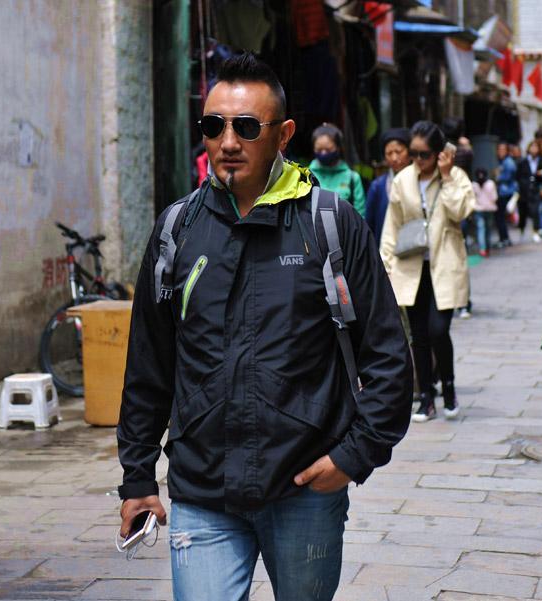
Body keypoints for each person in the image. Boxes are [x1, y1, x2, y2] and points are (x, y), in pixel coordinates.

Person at [116, 53, 412, 601]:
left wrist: (353, 456)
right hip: (202, 491)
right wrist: (137, 476)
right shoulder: (177, 230)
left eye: (247, 127)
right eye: (214, 126)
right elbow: (149, 364)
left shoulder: (329, 224)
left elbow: (389, 355)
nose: (228, 141)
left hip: (304, 490)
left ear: (283, 135)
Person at [379, 120, 475, 423]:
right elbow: (391, 226)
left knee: (438, 330)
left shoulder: (455, 176)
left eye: (424, 155)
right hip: (411, 266)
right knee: (418, 336)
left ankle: (448, 387)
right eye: (415, 153)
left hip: (444, 264)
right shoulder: (403, 180)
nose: (418, 161)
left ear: (439, 153)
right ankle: (426, 399)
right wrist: (386, 266)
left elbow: (461, 212)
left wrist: (446, 177)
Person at [309, 122, 367, 216]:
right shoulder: (306, 176)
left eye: (328, 149)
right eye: (319, 150)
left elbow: (360, 216)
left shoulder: (352, 178)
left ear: (338, 148)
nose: (323, 153)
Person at [366, 128, 411, 240]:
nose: (394, 158)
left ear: (409, 152)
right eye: (389, 153)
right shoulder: (377, 186)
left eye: (399, 152)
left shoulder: (421, 180)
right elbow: (370, 224)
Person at [516, 139, 542, 243]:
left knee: (536, 212)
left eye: (536, 147)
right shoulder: (523, 162)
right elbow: (518, 176)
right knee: (523, 212)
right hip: (524, 191)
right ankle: (522, 230)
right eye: (532, 147)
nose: (534, 149)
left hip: (536, 190)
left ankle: (536, 231)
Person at [493, 142, 516, 248]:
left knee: (500, 217)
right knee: (500, 217)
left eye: (503, 149)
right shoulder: (502, 162)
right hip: (503, 192)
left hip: (506, 193)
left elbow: (507, 177)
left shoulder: (508, 162)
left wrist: (498, 176)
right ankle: (504, 238)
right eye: (499, 149)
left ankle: (504, 239)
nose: (501, 152)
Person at [471, 167, 498, 257]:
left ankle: (482, 248)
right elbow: (494, 198)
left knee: (481, 229)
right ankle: (487, 247)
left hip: (479, 209)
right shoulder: (490, 184)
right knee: (488, 229)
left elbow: (471, 199)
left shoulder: (473, 185)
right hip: (489, 209)